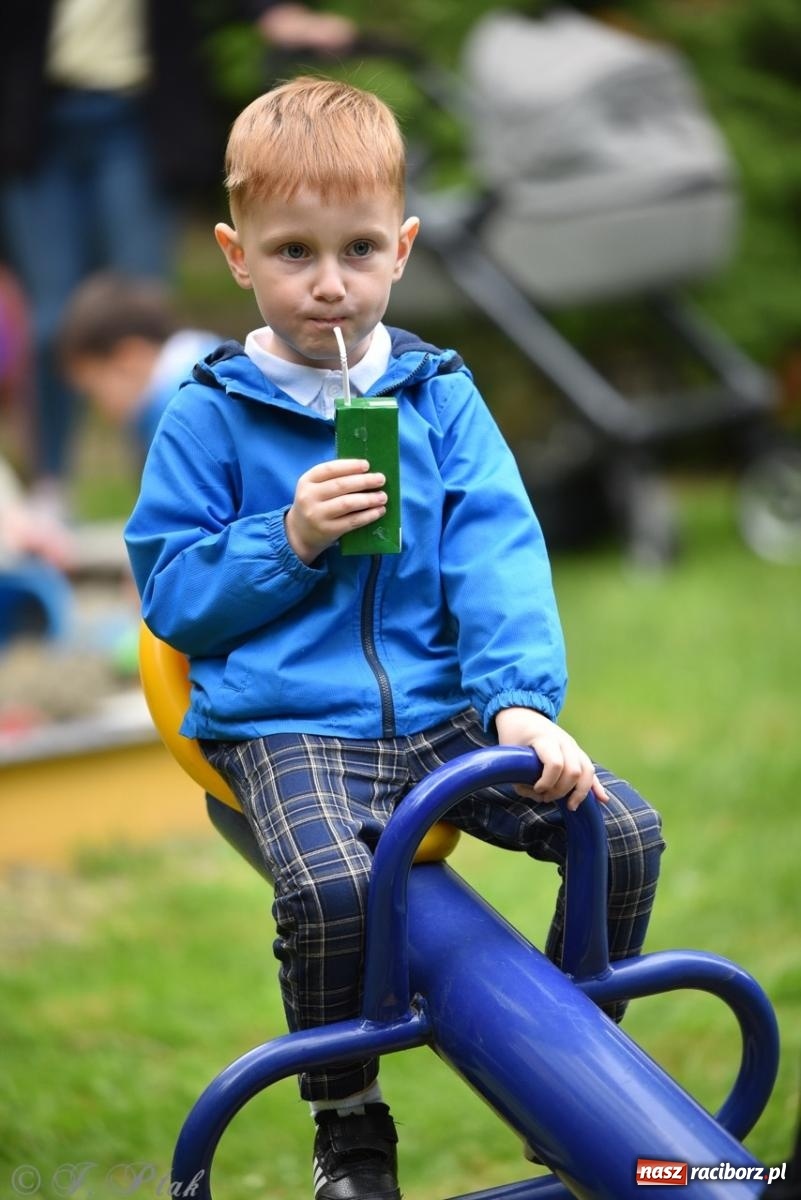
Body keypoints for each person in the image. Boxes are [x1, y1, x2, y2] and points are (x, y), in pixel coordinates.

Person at [124, 78, 665, 1200]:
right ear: (236, 255)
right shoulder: (208, 412)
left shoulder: (437, 396)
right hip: (290, 723)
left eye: (359, 249)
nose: (329, 284)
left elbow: (497, 554)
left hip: (443, 713)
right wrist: (288, 538)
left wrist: (518, 702)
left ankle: (576, 1074)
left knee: (618, 830)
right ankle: (348, 1121)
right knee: (333, 890)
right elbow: (171, 593)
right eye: (293, 252)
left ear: (403, 249)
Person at [0, 0, 355, 506]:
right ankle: (51, 487)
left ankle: (165, 492)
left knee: (144, 306)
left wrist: (270, 11)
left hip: (138, 111)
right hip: (35, 114)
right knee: (51, 322)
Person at [58, 272, 219, 458]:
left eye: (94, 392)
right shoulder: (215, 364)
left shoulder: (177, 417)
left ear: (129, 359)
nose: (101, 412)